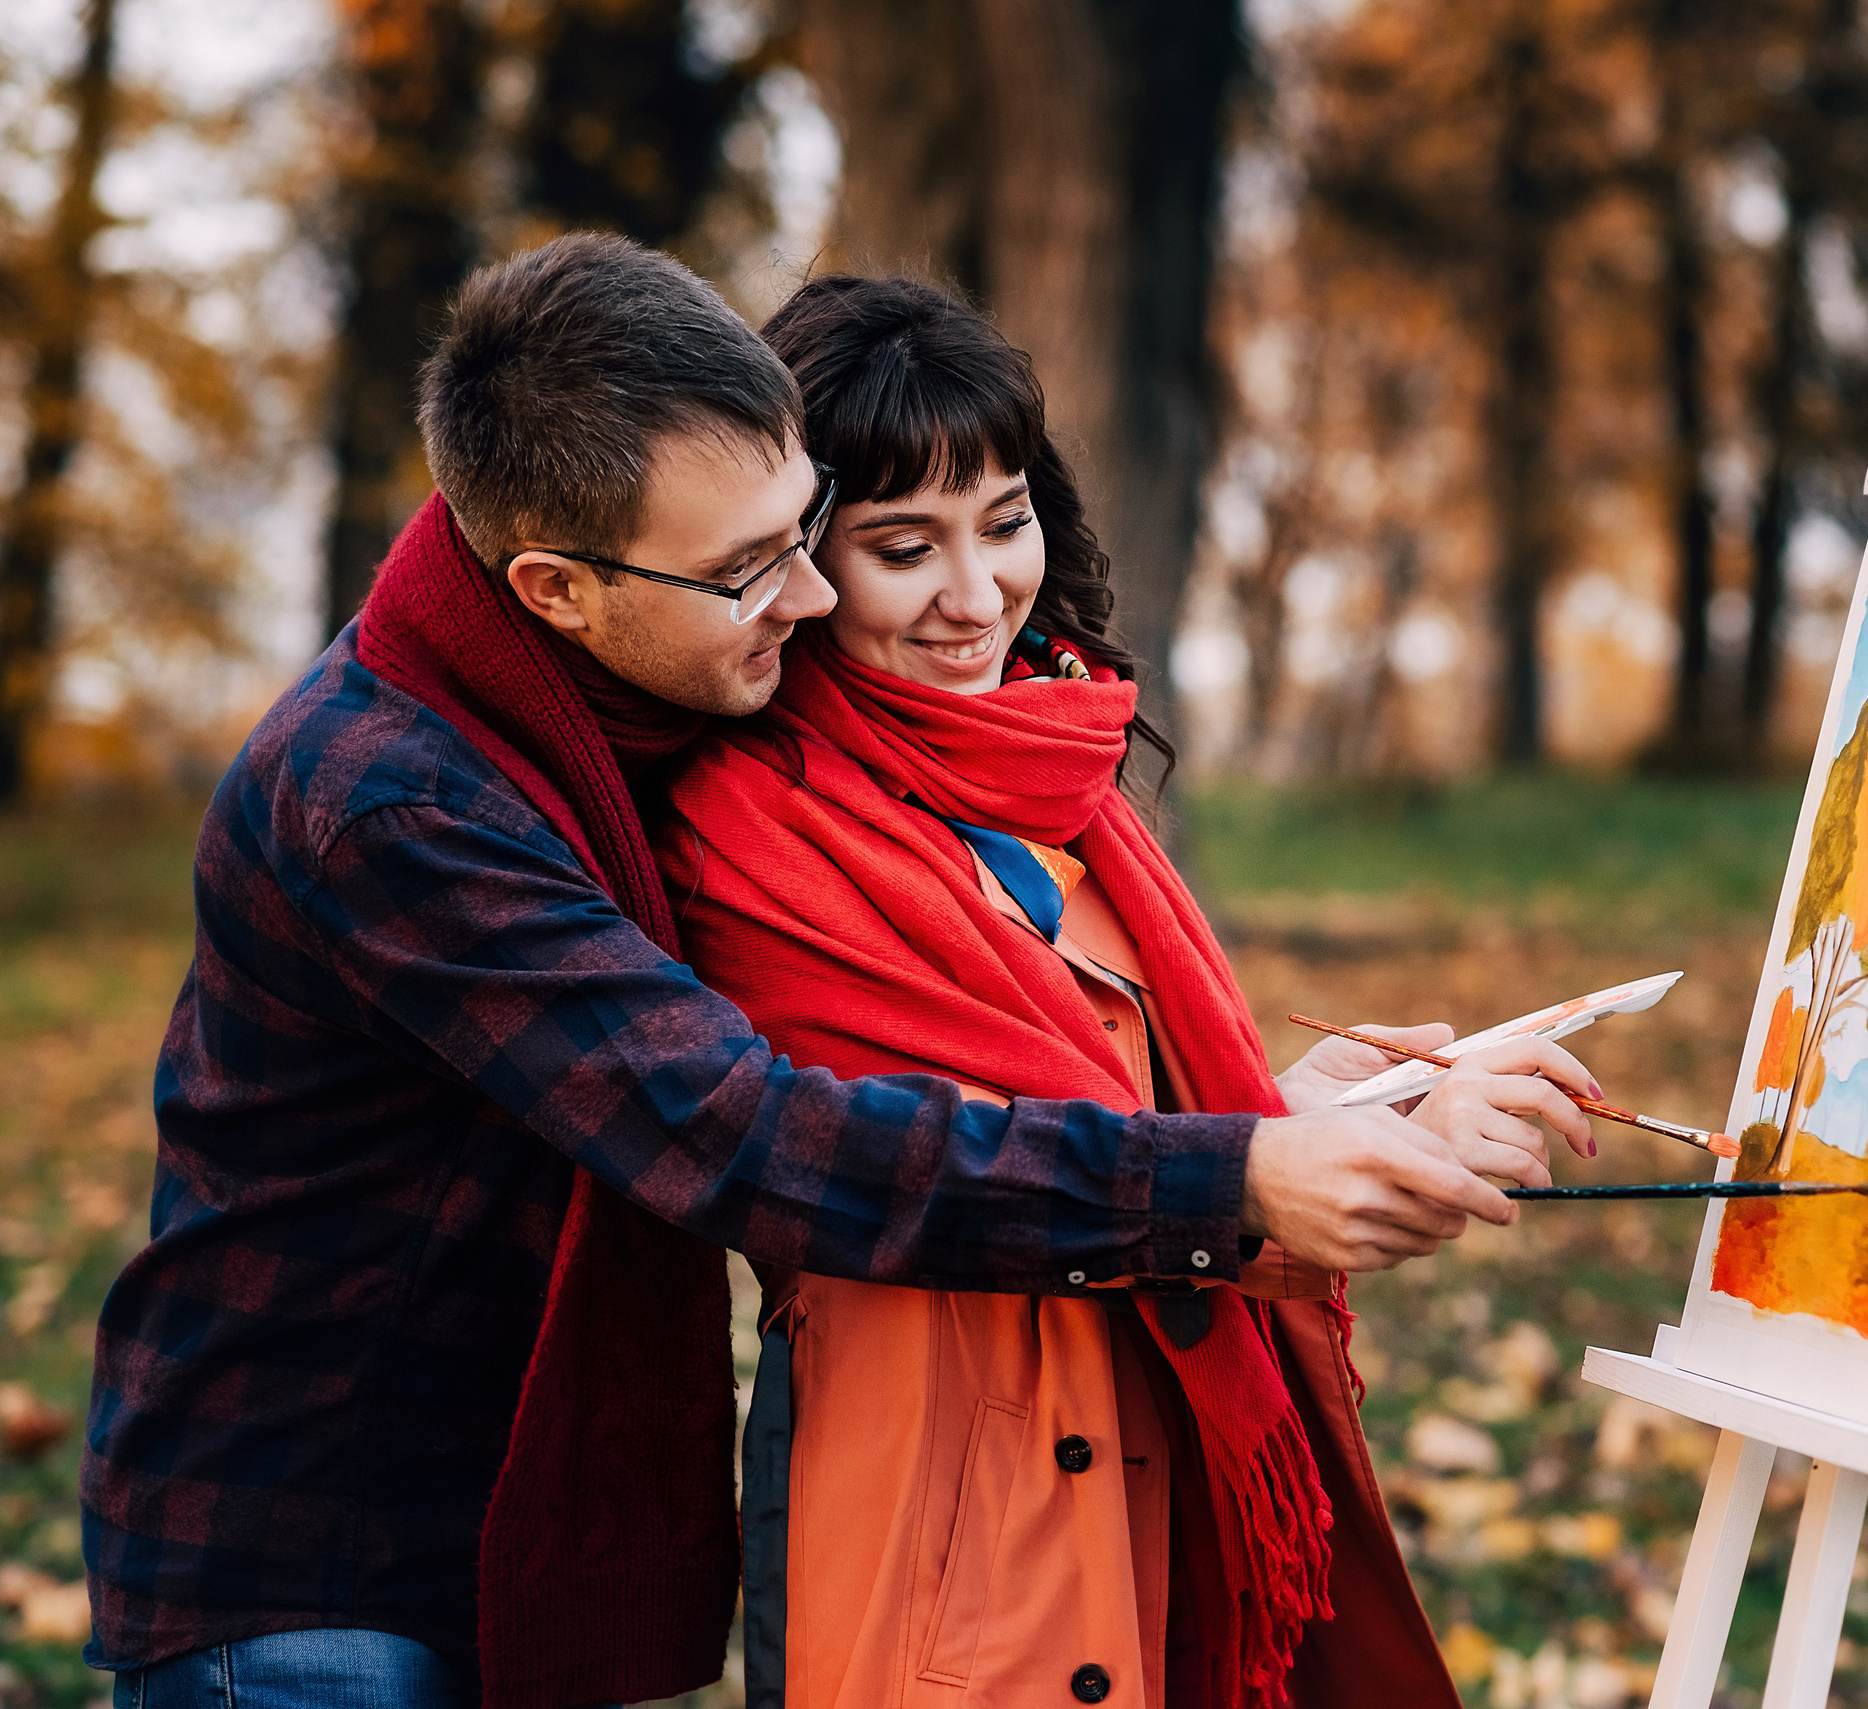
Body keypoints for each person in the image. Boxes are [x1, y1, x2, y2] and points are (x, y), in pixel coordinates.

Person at [81, 235, 1510, 1709]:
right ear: (556, 588)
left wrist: (1262, 1106)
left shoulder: (625, 711)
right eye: (750, 569)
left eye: (800, 530)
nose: (813, 599)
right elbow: (744, 1133)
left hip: (490, 1519)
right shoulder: (398, 801)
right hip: (310, 1557)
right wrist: (1240, 1177)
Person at [655, 275, 1607, 1709]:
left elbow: (1149, 1132)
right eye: (903, 547)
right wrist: (1254, 1164)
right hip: (942, 1524)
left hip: (1160, 1471)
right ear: (799, 563)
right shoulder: (749, 823)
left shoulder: (1068, 788)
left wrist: (1345, 1114)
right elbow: (937, 1162)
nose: (976, 596)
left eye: (1006, 522)